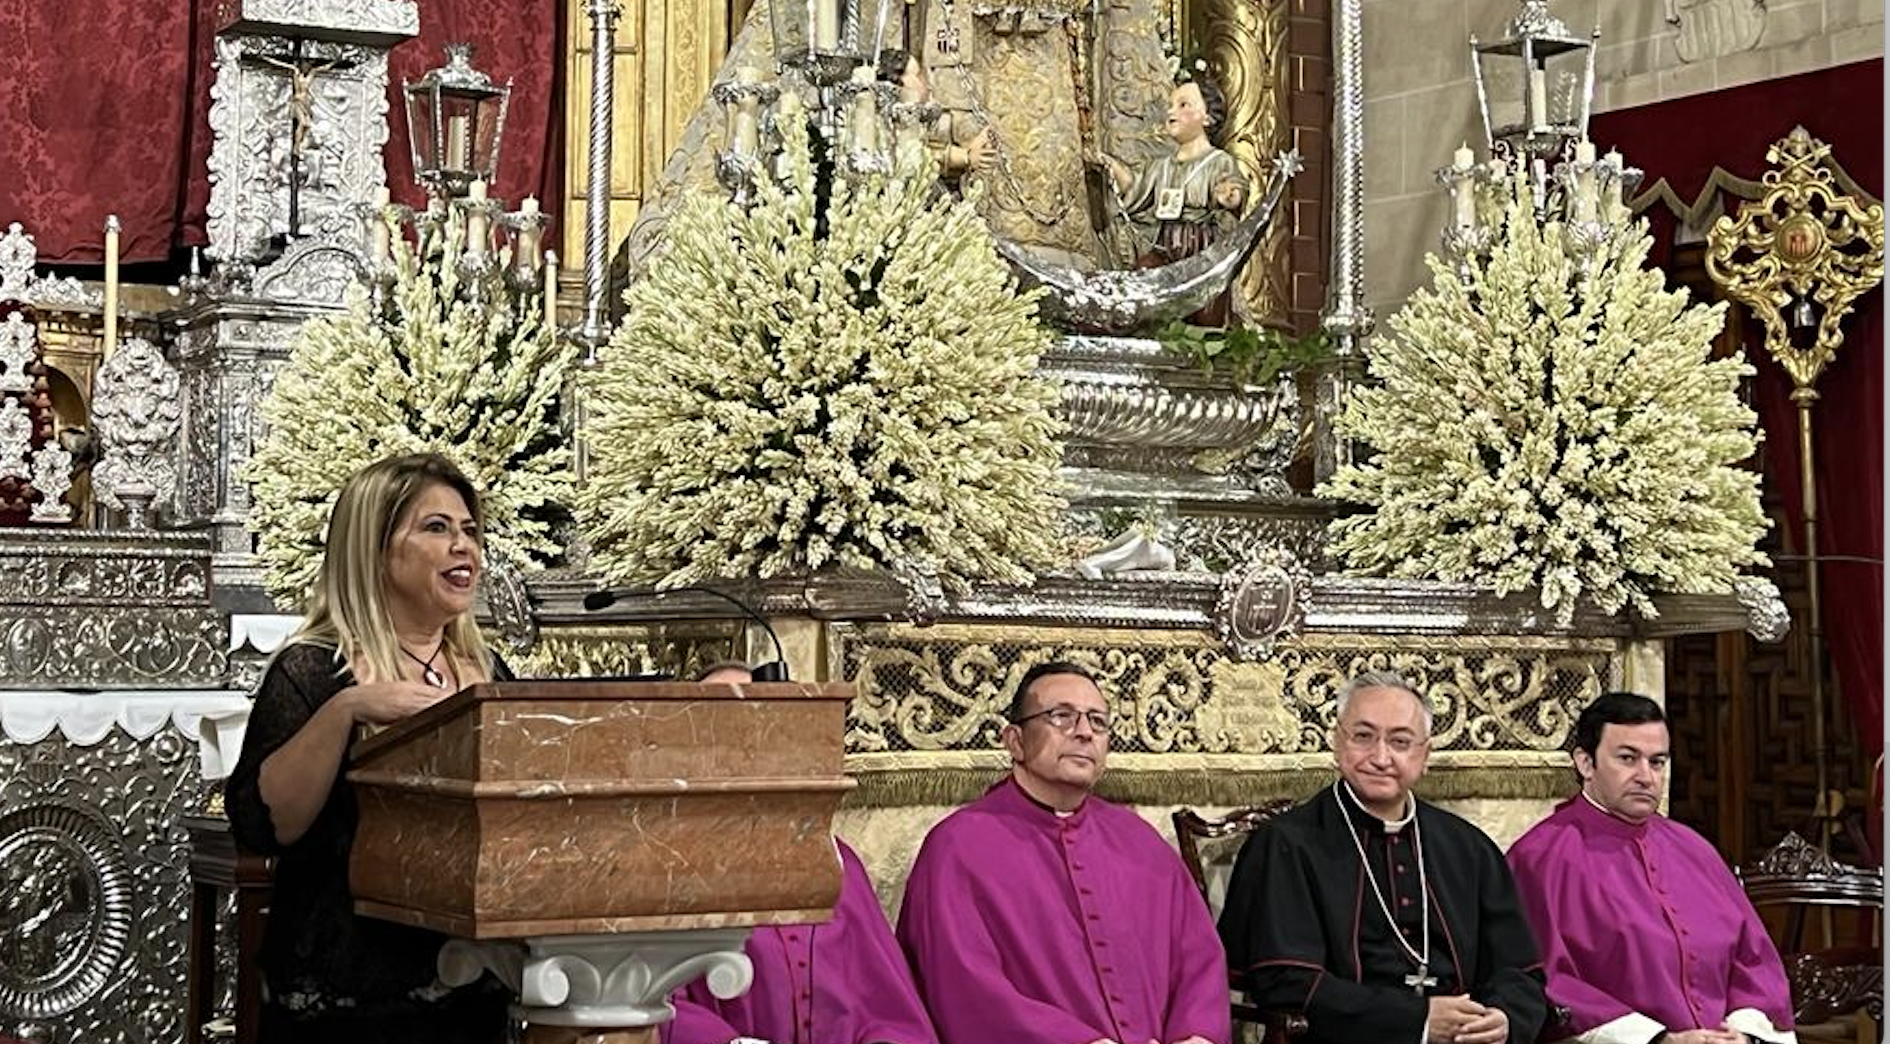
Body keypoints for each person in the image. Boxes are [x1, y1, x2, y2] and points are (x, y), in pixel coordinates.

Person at [224, 453, 510, 1044]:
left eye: (470, 531)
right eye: (437, 528)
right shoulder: (314, 671)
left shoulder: (486, 672)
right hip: (347, 992)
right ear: (376, 549)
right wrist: (347, 711)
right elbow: (267, 825)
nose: (465, 548)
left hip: (468, 980)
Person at [897, 661, 1230, 1044]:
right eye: (1062, 717)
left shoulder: (1140, 840)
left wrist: (1195, 1037)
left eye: (1098, 721)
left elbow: (1199, 960)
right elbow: (962, 986)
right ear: (1015, 740)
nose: (1085, 732)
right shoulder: (956, 847)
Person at [1218, 670, 1548, 1044]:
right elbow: (1285, 981)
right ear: (1337, 743)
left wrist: (1503, 1018)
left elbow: (1518, 969)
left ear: (1424, 756)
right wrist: (1419, 1021)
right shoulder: (1286, 844)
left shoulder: (1467, 847)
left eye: (1400, 741)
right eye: (1363, 737)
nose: (1380, 757)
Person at [668, 662, 938, 1044]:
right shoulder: (663, 861)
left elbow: (886, 1002)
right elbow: (643, 1001)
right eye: (718, 718)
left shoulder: (833, 856)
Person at [1506, 693, 1796, 1044]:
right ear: (1585, 763)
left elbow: (1754, 961)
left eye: (1657, 762)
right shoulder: (1539, 857)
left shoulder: (1694, 849)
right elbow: (1541, 979)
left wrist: (1744, 1034)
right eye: (1628, 758)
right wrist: (1658, 1040)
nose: (1646, 776)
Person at [1101, 67, 1248, 325]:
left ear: (1207, 118)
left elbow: (1233, 189)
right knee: (1145, 276)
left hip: (1202, 248)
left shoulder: (1218, 161)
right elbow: (1136, 189)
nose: (1171, 112)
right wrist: (1111, 167)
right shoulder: (1162, 166)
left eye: (1183, 105)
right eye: (1171, 105)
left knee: (1204, 310)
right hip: (1166, 246)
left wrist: (1230, 196)